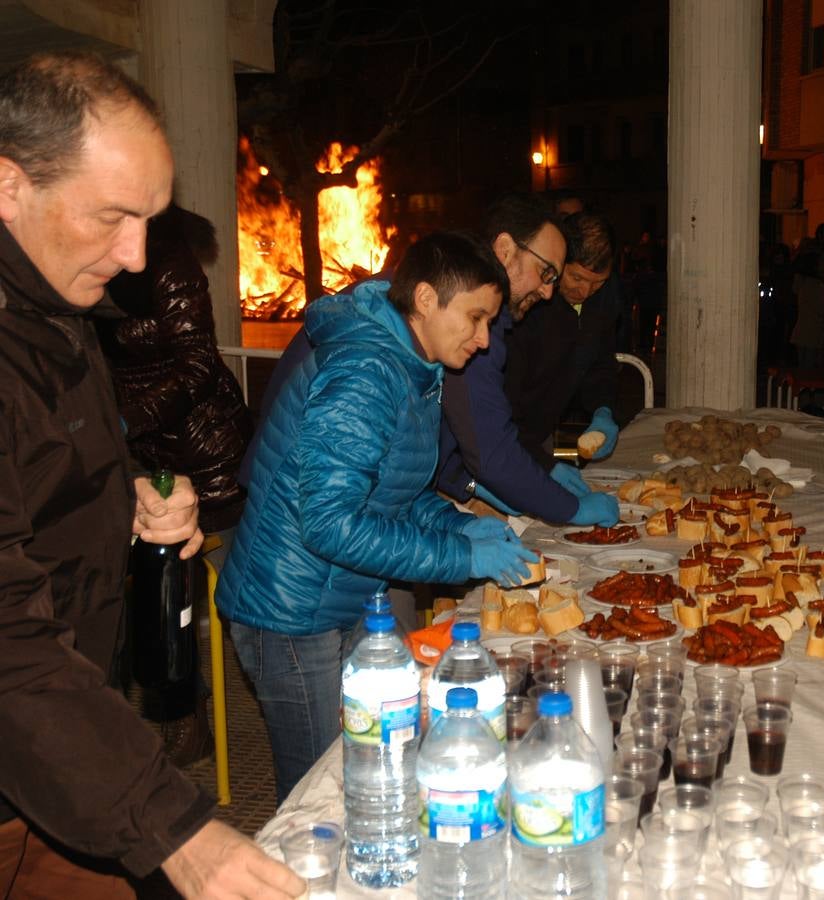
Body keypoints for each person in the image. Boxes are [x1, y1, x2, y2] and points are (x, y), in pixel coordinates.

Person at [0, 51, 302, 898]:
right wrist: (178, 832)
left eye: (152, 221)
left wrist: (121, 487)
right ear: (8, 185)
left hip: (59, 752)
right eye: (112, 217)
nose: (136, 258)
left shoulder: (52, 301)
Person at [217, 231, 537, 803]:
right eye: (475, 317)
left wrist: (458, 525)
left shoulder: (412, 367)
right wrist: (463, 557)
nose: (485, 339)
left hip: (340, 598)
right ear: (425, 300)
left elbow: (393, 493)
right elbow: (331, 523)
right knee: (321, 787)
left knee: (372, 760)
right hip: (289, 609)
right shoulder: (366, 372)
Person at [99, 203, 254, 766]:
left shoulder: (166, 261)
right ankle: (183, 715)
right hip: (142, 460)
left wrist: (125, 419)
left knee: (243, 599)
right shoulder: (85, 259)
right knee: (159, 595)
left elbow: (198, 365)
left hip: (206, 451)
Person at [436, 194, 620, 526]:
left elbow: (452, 432)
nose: (550, 291)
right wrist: (567, 506)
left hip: (484, 461)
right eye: (547, 272)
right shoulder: (488, 323)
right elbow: (484, 436)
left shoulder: (497, 317)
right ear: (504, 250)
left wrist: (462, 481)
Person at [504, 212, 624, 466]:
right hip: (510, 435)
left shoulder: (604, 297)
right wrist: (543, 468)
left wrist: (604, 409)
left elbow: (601, 364)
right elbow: (502, 408)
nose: (585, 291)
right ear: (557, 265)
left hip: (554, 428)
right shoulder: (529, 305)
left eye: (597, 283)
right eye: (576, 277)